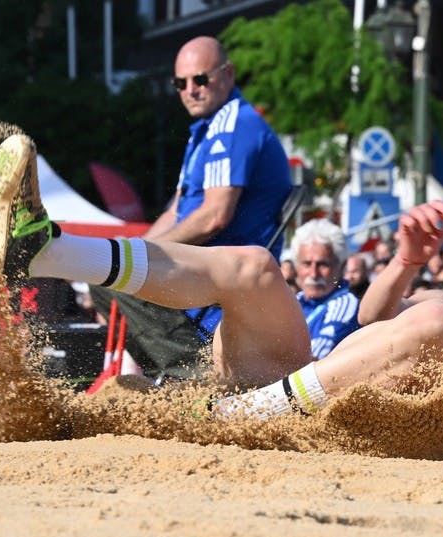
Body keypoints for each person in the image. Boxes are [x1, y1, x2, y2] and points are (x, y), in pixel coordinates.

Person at [0, 133, 443, 470]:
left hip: (359, 434)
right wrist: (406, 261)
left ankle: (245, 414)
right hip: (295, 391)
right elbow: (370, 320)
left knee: (437, 318)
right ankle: (47, 251)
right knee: (255, 267)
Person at [87, 35, 293, 382]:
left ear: (228, 74)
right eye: (180, 83)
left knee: (112, 276)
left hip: (227, 276)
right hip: (206, 268)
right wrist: (131, 252)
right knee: (107, 272)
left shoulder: (233, 124)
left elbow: (214, 216)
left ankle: (196, 378)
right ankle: (176, 376)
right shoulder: (206, 130)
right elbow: (175, 212)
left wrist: (139, 257)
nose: (190, 90)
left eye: (200, 79)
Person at [288, 219, 362, 360]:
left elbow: (316, 361)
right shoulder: (293, 301)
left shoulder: (346, 303)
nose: (313, 274)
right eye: (306, 264)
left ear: (341, 266)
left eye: (323, 264)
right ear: (296, 266)